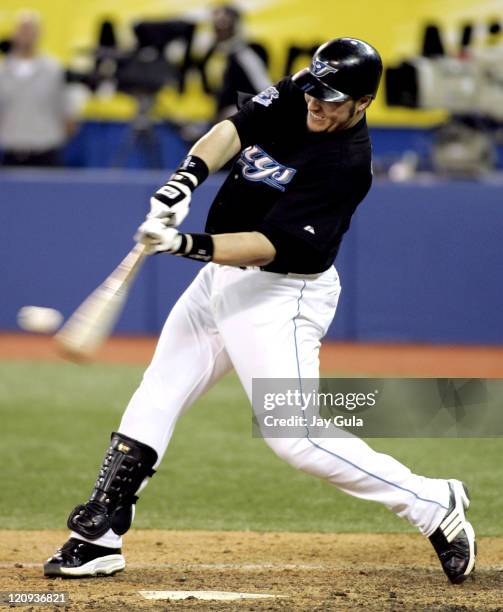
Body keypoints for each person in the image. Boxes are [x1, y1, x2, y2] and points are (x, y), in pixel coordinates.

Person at [44, 38, 476, 584]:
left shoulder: (347, 163)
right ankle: (99, 536)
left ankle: (433, 502)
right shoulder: (303, 90)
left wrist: (184, 245)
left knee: (294, 438)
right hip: (221, 279)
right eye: (314, 91)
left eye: (332, 100)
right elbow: (234, 129)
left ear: (363, 103)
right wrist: (186, 178)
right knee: (159, 390)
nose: (316, 105)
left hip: (282, 294)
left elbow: (271, 245)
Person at [0, 12, 78, 167]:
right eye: (22, 29)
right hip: (11, 153)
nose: (26, 35)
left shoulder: (54, 70)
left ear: (39, 34)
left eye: (30, 29)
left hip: (47, 153)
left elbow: (68, 114)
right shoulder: (2, 72)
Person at [199, 5, 271, 121]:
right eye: (217, 25)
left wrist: (242, 110)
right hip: (217, 119)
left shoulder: (245, 55)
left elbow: (265, 89)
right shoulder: (212, 55)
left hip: (240, 120)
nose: (220, 29)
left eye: (225, 24)